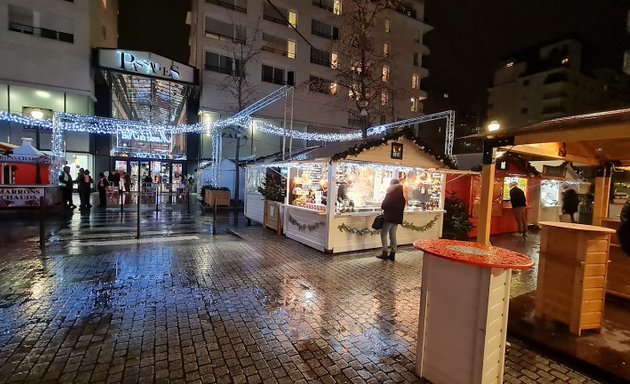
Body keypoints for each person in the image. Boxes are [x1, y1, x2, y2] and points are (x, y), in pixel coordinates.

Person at [378, 179, 406, 261]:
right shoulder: (402, 197)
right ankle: (393, 253)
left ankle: (385, 252)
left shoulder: (390, 194)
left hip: (389, 217)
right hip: (397, 218)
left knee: (383, 234)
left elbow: (384, 205)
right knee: (393, 235)